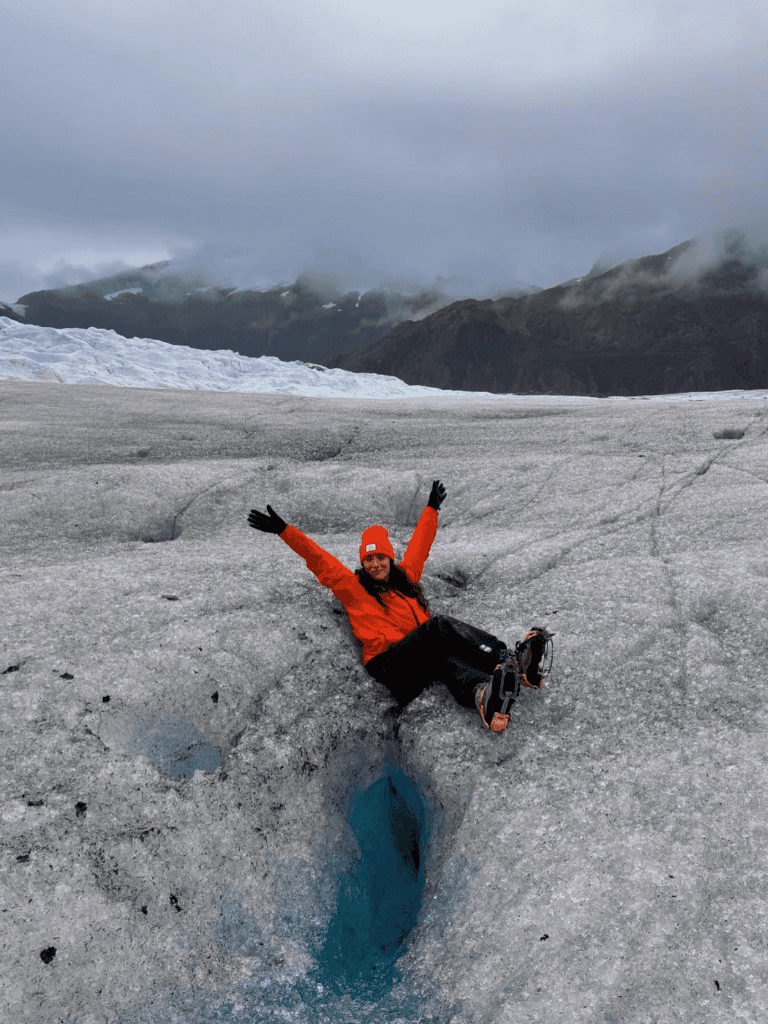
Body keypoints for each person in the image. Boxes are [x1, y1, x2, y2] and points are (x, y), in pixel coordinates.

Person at [247, 480, 553, 733]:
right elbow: (320, 559)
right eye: (369, 559)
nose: (376, 564)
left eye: (381, 557)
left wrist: (432, 508)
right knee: (439, 627)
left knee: (447, 658)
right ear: (362, 562)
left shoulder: (405, 577)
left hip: (416, 660)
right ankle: (507, 658)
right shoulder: (352, 588)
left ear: (389, 558)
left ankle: (487, 698)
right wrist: (285, 531)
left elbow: (421, 543)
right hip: (389, 665)